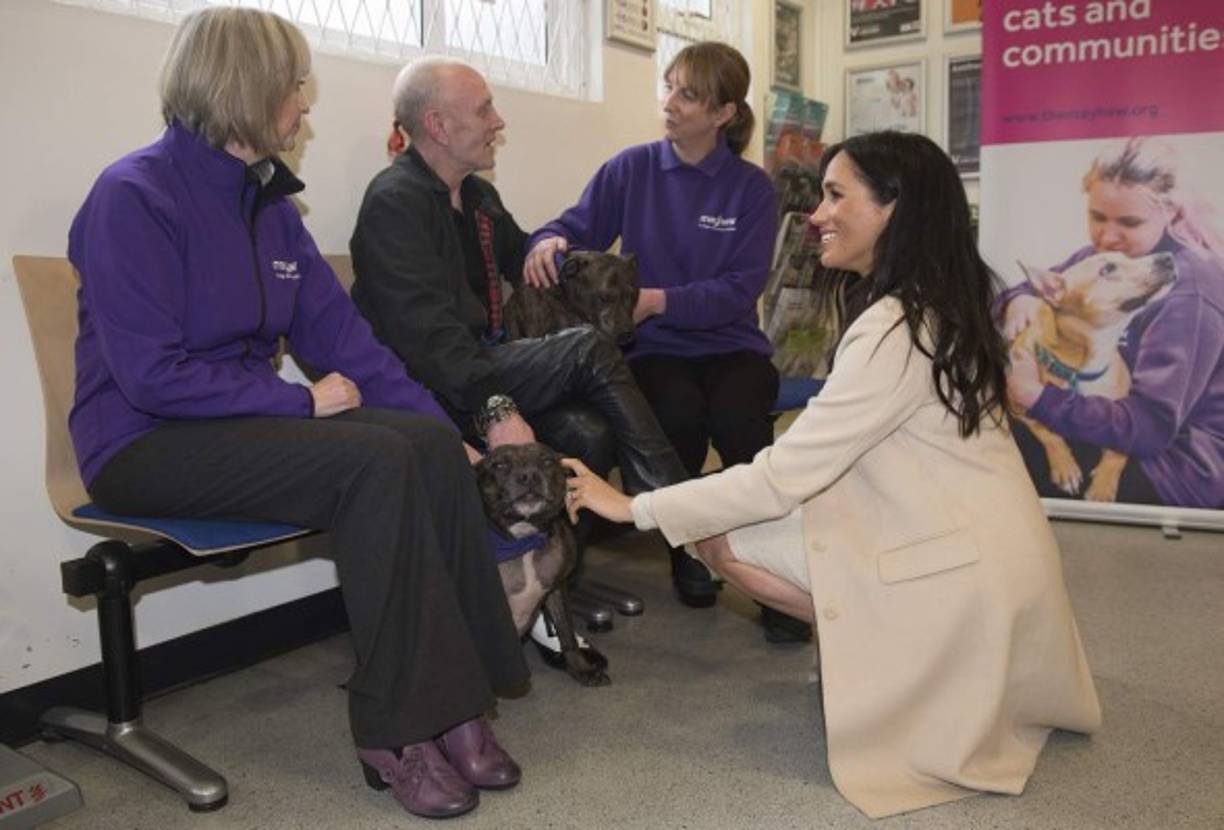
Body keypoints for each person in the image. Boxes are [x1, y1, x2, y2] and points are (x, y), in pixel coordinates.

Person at [68, 9, 527, 820]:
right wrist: (293, 399)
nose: (306, 103)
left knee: (418, 443)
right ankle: (396, 730)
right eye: (296, 85)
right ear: (246, 87)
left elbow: (348, 344)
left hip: (237, 427)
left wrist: (453, 437)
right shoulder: (131, 196)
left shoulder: (272, 209)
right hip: (142, 441)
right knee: (372, 462)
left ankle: (462, 701)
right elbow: (147, 375)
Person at [562, 132, 1102, 819]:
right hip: (989, 559)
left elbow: (779, 477)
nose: (815, 214)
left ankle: (899, 663)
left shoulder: (894, 327)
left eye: (836, 194)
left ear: (893, 209)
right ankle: (895, 654)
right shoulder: (941, 305)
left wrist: (630, 506)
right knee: (734, 516)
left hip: (960, 577)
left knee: (718, 539)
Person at [348, 58, 714, 625]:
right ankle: (674, 510)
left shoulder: (475, 199)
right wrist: (496, 408)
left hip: (480, 364)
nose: (498, 119)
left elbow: (528, 257)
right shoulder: (394, 205)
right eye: (485, 109)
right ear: (440, 126)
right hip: (428, 386)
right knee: (589, 348)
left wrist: (550, 246)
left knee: (585, 432)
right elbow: (432, 342)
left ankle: (552, 576)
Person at [523, 42, 811, 644]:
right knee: (674, 416)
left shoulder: (752, 189)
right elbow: (574, 226)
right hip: (656, 348)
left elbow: (739, 289)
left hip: (731, 345)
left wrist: (660, 299)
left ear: (724, 113)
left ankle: (777, 573)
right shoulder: (630, 169)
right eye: (669, 87)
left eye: (688, 94)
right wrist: (547, 242)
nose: (670, 104)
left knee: (742, 428)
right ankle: (691, 551)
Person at [1004, 137, 1224, 508]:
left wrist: (1035, 396)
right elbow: (1044, 285)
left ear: (1170, 212)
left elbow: (1149, 428)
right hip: (1122, 431)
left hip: (1176, 468)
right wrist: (1019, 298)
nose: (1107, 236)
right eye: (1097, 217)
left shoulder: (1191, 294)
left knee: (993, 453)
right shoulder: (1112, 254)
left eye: (1129, 222)